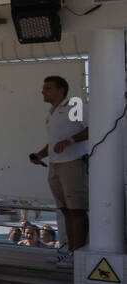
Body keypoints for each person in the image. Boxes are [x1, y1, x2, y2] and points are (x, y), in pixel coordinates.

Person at [29, 75, 89, 257]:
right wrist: (39, 155)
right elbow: (54, 142)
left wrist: (70, 140)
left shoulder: (74, 106)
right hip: (55, 165)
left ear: (60, 90)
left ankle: (77, 254)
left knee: (76, 209)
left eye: (48, 88)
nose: (43, 91)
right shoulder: (51, 113)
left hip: (72, 163)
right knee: (65, 210)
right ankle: (69, 250)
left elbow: (92, 128)